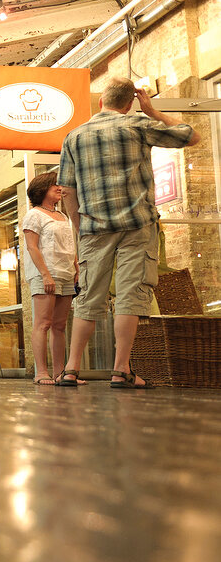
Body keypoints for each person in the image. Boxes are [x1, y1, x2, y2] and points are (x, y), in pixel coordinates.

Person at [58, 78, 201, 388]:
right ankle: (121, 370)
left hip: (94, 228)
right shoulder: (137, 123)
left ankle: (71, 369)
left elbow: (67, 189)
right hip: (138, 225)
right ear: (130, 104)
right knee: (130, 296)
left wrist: (78, 225)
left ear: (101, 103)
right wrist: (154, 112)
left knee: (89, 298)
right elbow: (191, 136)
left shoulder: (74, 136)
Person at [22, 171, 78, 385]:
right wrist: (45, 274)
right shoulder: (34, 214)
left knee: (60, 326)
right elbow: (32, 246)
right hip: (45, 274)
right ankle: (41, 373)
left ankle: (60, 373)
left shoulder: (62, 215)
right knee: (43, 324)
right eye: (54, 184)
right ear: (42, 189)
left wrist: (75, 268)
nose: (59, 188)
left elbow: (69, 246)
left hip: (65, 274)